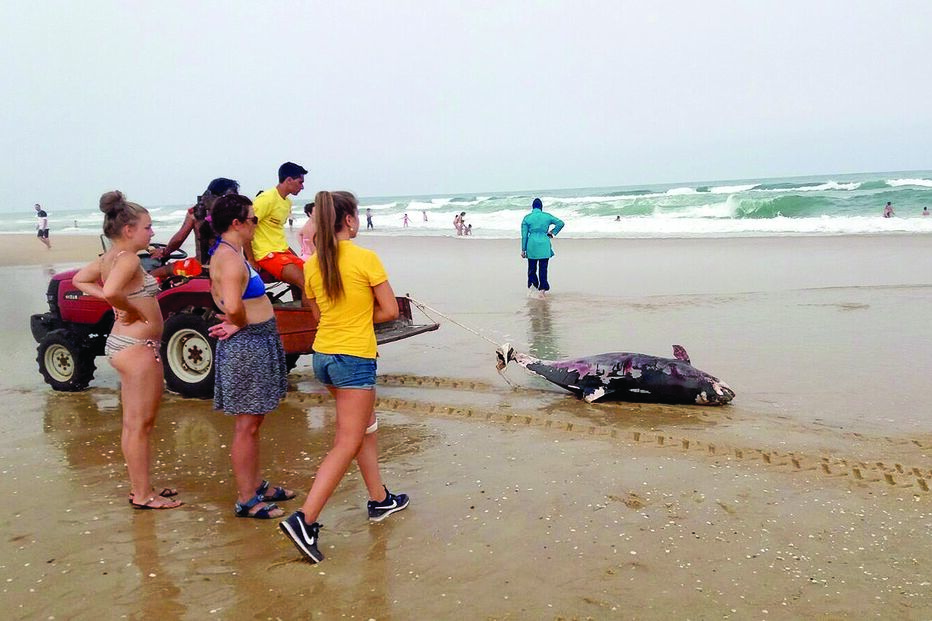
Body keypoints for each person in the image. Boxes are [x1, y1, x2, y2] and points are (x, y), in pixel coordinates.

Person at [280, 191, 408, 564]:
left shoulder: (313, 265)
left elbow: (318, 316)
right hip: (353, 357)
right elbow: (388, 310)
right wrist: (359, 318)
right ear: (350, 220)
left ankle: (380, 499)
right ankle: (305, 519)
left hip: (324, 357)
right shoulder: (365, 259)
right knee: (347, 441)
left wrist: (346, 319)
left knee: (364, 429)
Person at [73, 191, 182, 510]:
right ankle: (142, 494)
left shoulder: (110, 258)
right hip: (137, 347)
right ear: (129, 230)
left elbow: (81, 280)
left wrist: (120, 303)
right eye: (148, 227)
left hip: (126, 345)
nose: (152, 232)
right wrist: (130, 309)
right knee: (139, 424)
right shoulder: (129, 259)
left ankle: (143, 487)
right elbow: (111, 290)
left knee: (137, 424)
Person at [207, 194, 294, 519]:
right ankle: (247, 499)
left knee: (255, 421)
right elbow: (231, 305)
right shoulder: (230, 260)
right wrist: (237, 324)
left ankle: (256, 484)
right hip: (248, 346)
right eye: (253, 218)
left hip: (257, 341)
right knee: (247, 425)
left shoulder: (234, 252)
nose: (257, 223)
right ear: (237, 223)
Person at [247, 162, 308, 295]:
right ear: (289, 180)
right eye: (300, 182)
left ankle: (298, 311)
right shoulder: (266, 199)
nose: (302, 187)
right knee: (306, 283)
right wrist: (251, 259)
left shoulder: (287, 203)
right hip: (266, 254)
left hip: (282, 251)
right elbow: (246, 228)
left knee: (314, 277)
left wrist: (293, 256)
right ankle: (310, 315)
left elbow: (276, 232)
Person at [150, 178, 240, 264]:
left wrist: (164, 252)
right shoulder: (238, 215)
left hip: (202, 267)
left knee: (156, 273)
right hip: (230, 264)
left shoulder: (194, 213)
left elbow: (179, 238)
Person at [521, 198, 564, 295]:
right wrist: (552, 233)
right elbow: (561, 223)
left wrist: (523, 250)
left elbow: (524, 236)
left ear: (532, 207)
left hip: (532, 245)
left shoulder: (527, 218)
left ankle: (533, 287)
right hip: (544, 244)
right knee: (543, 268)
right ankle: (542, 291)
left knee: (532, 268)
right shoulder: (547, 216)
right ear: (541, 207)